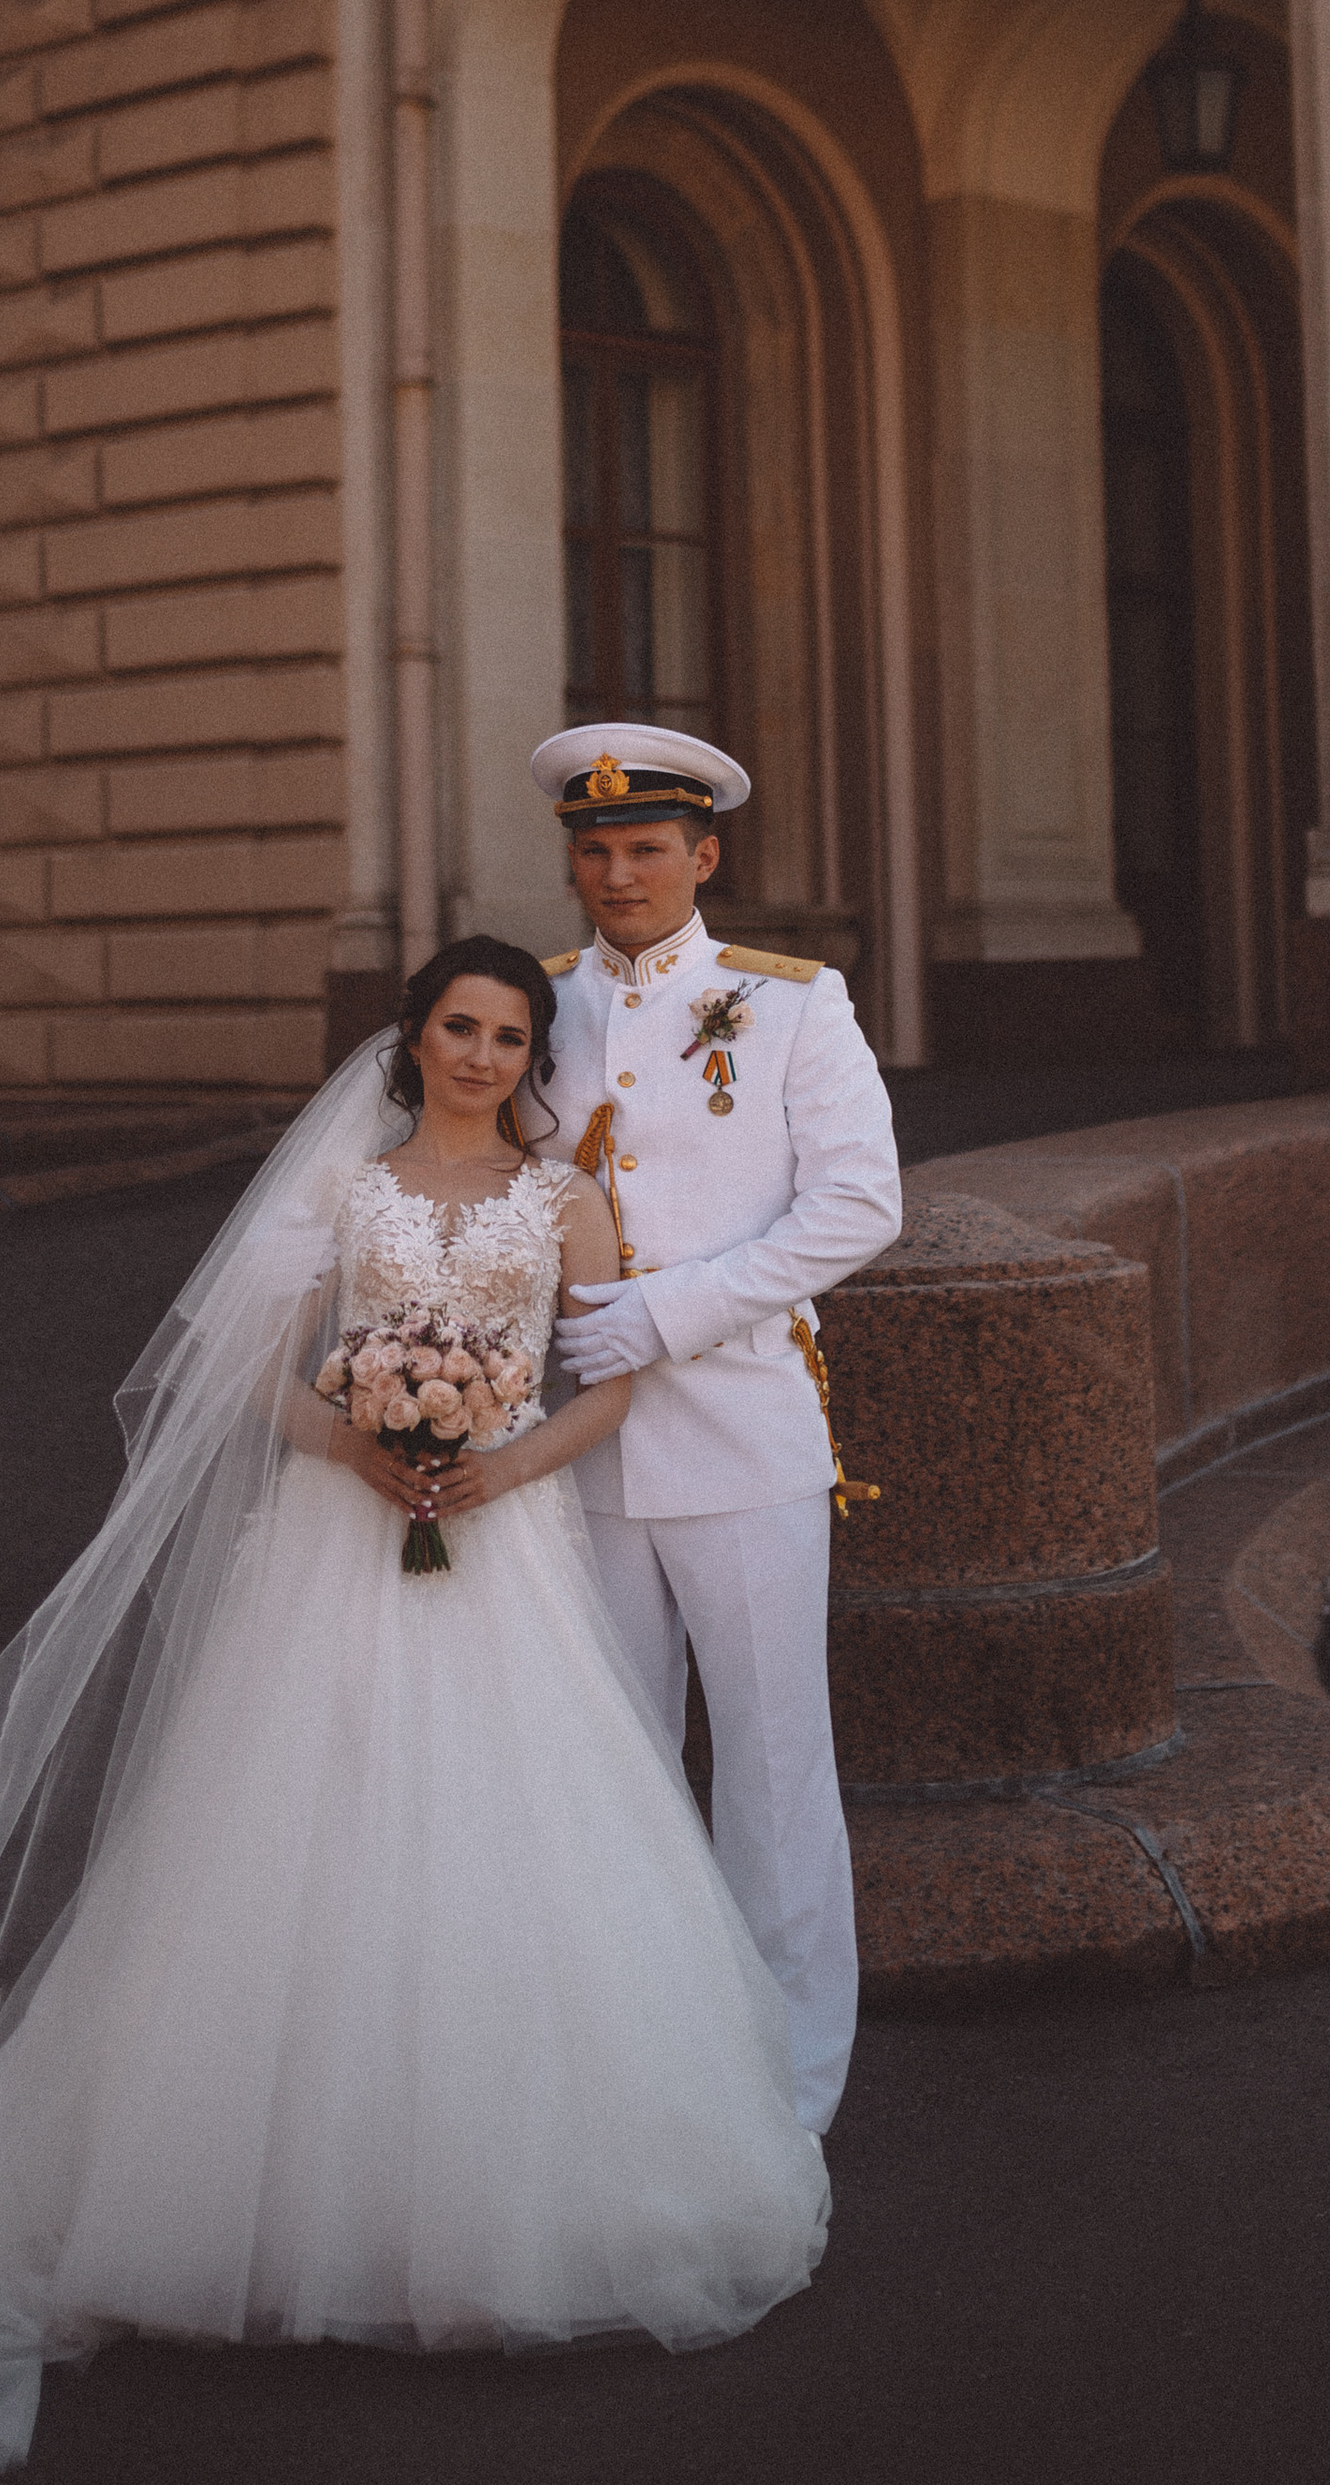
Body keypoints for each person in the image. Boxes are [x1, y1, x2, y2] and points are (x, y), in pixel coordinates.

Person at [0, 933, 828, 2476]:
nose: (482, 1053)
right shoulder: (344, 1191)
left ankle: (499, 2197)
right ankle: (248, 2198)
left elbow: (604, 1382)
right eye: (459, 1026)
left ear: (531, 1057)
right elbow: (253, 1372)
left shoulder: (569, 1200)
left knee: (513, 1845)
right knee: (296, 1839)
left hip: (509, 1540)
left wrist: (499, 1461)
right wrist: (353, 1440)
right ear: (411, 1039)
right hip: (341, 1543)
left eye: (509, 1035)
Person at [538, 724, 902, 2135]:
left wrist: (671, 1311)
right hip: (574, 1446)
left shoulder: (795, 1004)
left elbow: (859, 1205)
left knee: (768, 1767)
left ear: (706, 855)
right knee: (616, 1764)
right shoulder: (539, 1004)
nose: (617, 872)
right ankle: (644, 2060)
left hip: (742, 1436)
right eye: (593, 848)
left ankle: (792, 2084)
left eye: (645, 848)